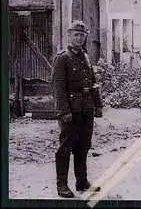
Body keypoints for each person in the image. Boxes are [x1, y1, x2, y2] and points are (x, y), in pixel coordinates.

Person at [51, 20, 103, 198]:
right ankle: (62, 185)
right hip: (71, 111)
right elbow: (58, 88)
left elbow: (93, 82)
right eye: (76, 34)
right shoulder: (62, 58)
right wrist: (63, 111)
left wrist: (98, 105)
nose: (79, 38)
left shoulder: (85, 56)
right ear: (69, 35)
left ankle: (82, 182)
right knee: (65, 148)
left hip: (86, 108)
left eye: (82, 35)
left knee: (84, 146)